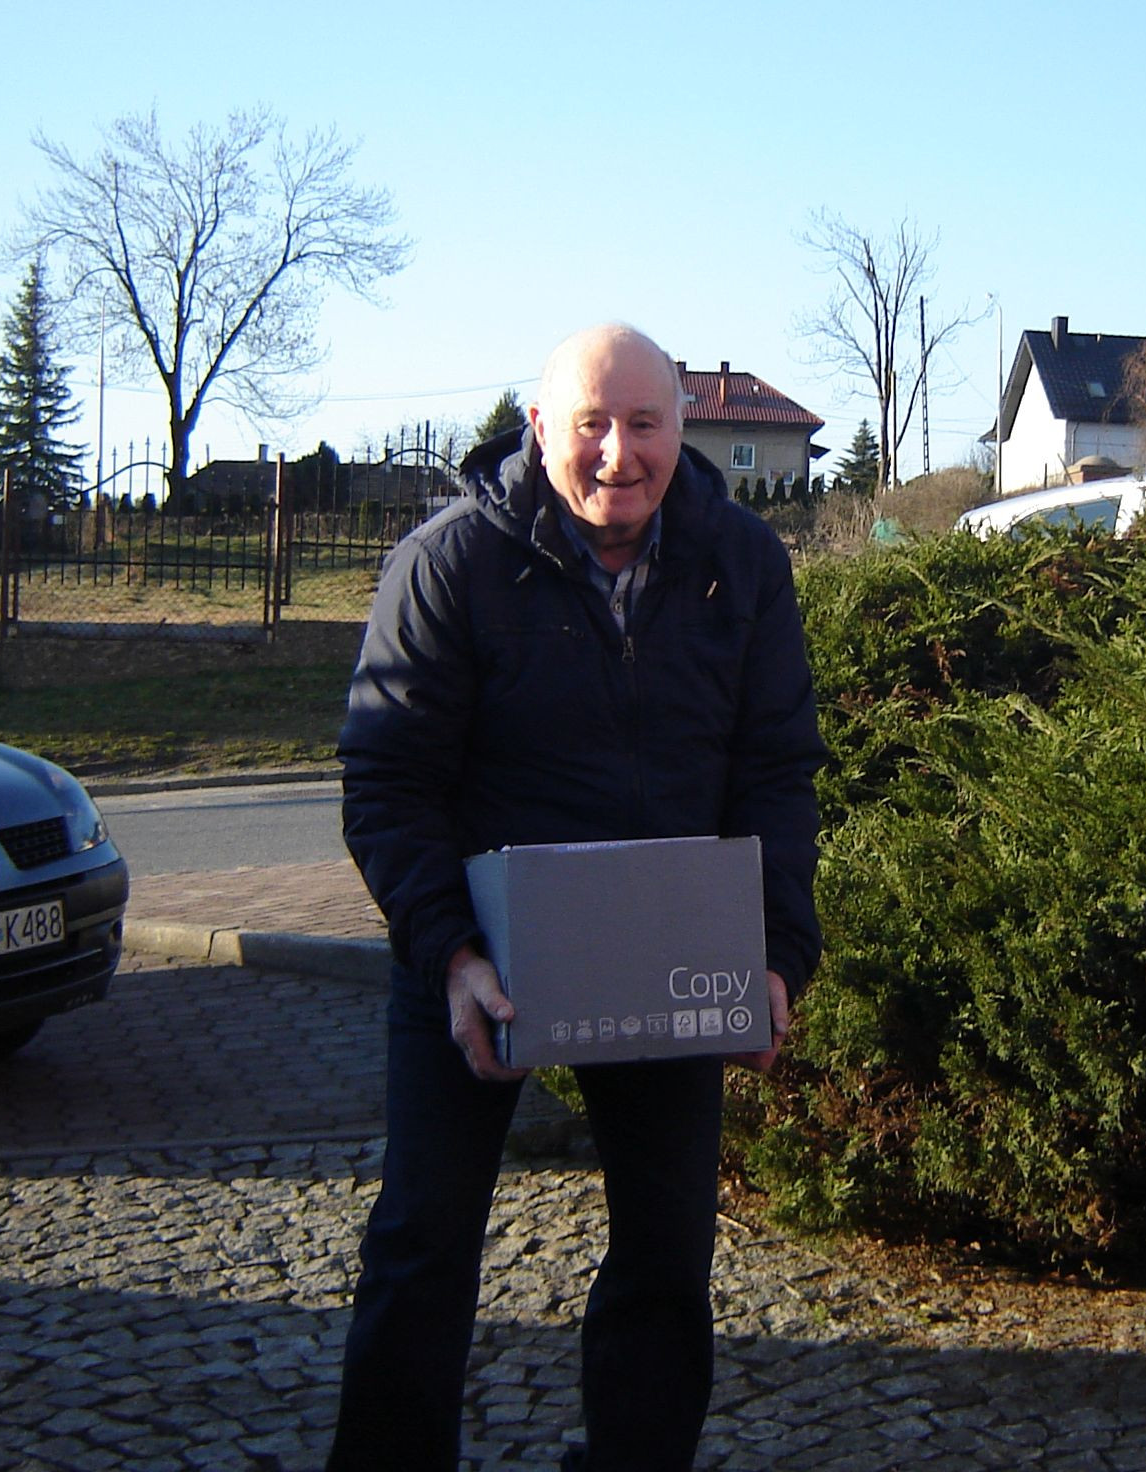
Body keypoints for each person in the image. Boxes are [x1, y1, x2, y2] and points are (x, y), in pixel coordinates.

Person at [326, 324, 826, 1472]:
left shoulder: (743, 562)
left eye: (644, 424)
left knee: (668, 1255)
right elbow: (388, 781)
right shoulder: (449, 563)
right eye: (591, 425)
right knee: (422, 1243)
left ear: (682, 428)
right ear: (540, 427)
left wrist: (775, 954)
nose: (618, 454)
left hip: (663, 952)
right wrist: (450, 954)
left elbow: (777, 770)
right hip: (479, 954)